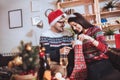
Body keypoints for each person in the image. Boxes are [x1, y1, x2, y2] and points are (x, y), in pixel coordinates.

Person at [67, 13, 120, 80]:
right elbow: (80, 55)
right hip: (89, 65)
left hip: (101, 61)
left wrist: (90, 38)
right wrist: (73, 47)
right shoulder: (78, 36)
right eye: (72, 27)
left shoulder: (95, 30)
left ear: (80, 21)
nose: (74, 28)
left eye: (75, 25)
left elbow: (105, 49)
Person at [40, 9, 74, 78]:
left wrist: (74, 47)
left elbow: (72, 53)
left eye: (64, 22)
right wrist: (59, 51)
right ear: (53, 23)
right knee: (60, 71)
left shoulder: (68, 34)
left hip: (67, 63)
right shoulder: (45, 35)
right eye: (60, 22)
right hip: (53, 63)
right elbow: (45, 55)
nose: (63, 25)